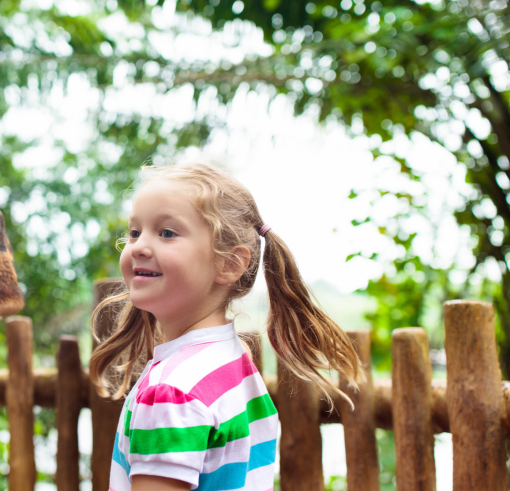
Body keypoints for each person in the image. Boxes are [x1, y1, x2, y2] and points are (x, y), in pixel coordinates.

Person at [90, 162, 362, 491]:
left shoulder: (171, 394)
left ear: (229, 264)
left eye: (166, 233)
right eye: (135, 232)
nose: (138, 247)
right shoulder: (233, 363)